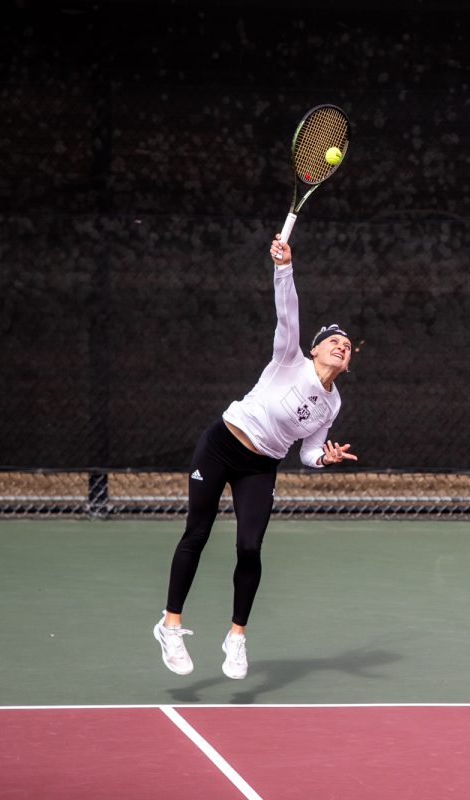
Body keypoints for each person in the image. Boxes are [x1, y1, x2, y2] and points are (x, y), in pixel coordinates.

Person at [152, 234, 357, 680]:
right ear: (316, 348)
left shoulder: (333, 404)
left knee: (249, 547)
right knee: (198, 533)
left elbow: (305, 451)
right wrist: (284, 267)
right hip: (222, 444)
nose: (342, 346)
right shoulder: (289, 359)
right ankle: (170, 624)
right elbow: (288, 314)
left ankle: (236, 637)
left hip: (261, 466)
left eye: (348, 346)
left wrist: (323, 458)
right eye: (334, 340)